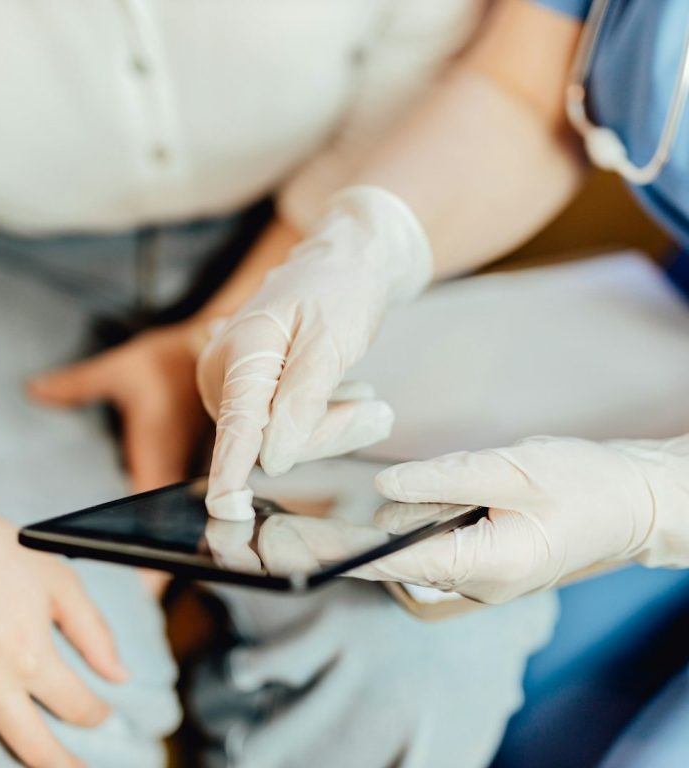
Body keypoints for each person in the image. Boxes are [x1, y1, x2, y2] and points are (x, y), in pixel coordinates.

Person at [0, 4, 560, 767]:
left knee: (427, 658)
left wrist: (249, 310)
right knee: (23, 707)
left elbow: (480, 85)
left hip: (308, 245)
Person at [194, 0, 689, 764]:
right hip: (658, 340)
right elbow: (524, 91)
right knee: (417, 648)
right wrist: (369, 239)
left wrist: (655, 500)